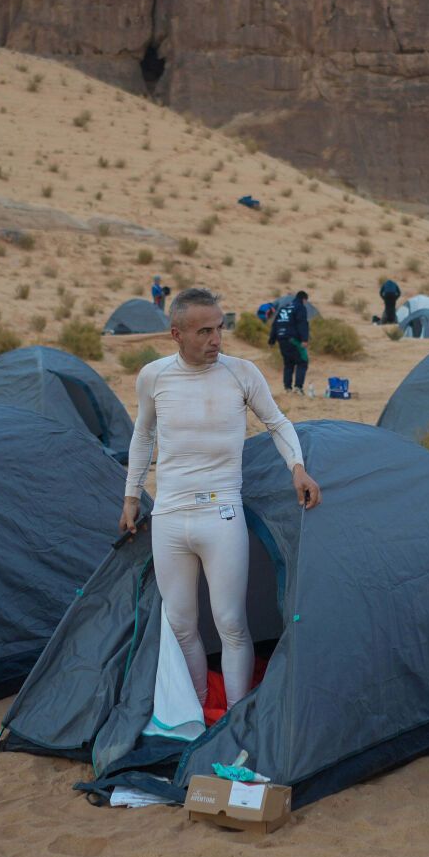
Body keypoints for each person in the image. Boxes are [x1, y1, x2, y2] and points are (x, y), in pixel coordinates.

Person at [120, 287, 320, 707]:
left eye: (220, 328)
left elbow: (278, 423)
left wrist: (297, 468)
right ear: (176, 333)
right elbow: (142, 436)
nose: (216, 339)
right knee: (181, 625)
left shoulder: (241, 373)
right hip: (171, 515)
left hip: (221, 512)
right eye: (204, 331)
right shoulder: (154, 376)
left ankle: (234, 715)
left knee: (231, 623)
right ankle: (196, 711)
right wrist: (131, 496)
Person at [270, 290, 312, 394]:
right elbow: (302, 323)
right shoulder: (300, 307)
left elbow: (275, 324)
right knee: (302, 362)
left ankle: (287, 388)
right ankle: (298, 387)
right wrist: (304, 339)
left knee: (288, 363)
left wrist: (272, 340)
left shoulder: (284, 307)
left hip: (281, 339)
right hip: (293, 340)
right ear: (304, 299)